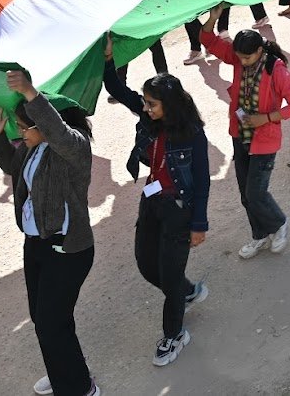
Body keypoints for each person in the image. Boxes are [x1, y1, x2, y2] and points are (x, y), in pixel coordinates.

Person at [0, 69, 98, 396]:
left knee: (51, 322)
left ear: (46, 124)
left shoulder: (74, 147)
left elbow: (58, 133)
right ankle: (65, 370)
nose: (21, 132)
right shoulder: (31, 148)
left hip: (67, 249)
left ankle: (79, 387)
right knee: (44, 318)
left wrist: (31, 93)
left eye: (25, 127)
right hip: (36, 244)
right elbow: (12, 166)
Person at [100, 49, 211, 367]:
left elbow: (202, 181)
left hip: (179, 212)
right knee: (147, 265)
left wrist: (199, 224)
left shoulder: (193, 135)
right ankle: (186, 292)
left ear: (169, 105)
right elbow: (117, 88)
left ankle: (174, 335)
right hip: (151, 203)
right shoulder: (150, 117)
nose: (146, 109)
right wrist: (109, 60)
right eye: (146, 103)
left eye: (152, 104)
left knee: (170, 277)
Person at [200, 24, 290, 259]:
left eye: (247, 58)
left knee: (256, 193)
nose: (242, 62)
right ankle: (260, 235)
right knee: (246, 195)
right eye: (239, 57)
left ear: (259, 51)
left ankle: (279, 223)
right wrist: (212, 19)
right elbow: (209, 40)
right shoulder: (239, 58)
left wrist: (265, 118)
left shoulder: (276, 70)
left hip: (264, 141)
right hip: (240, 136)